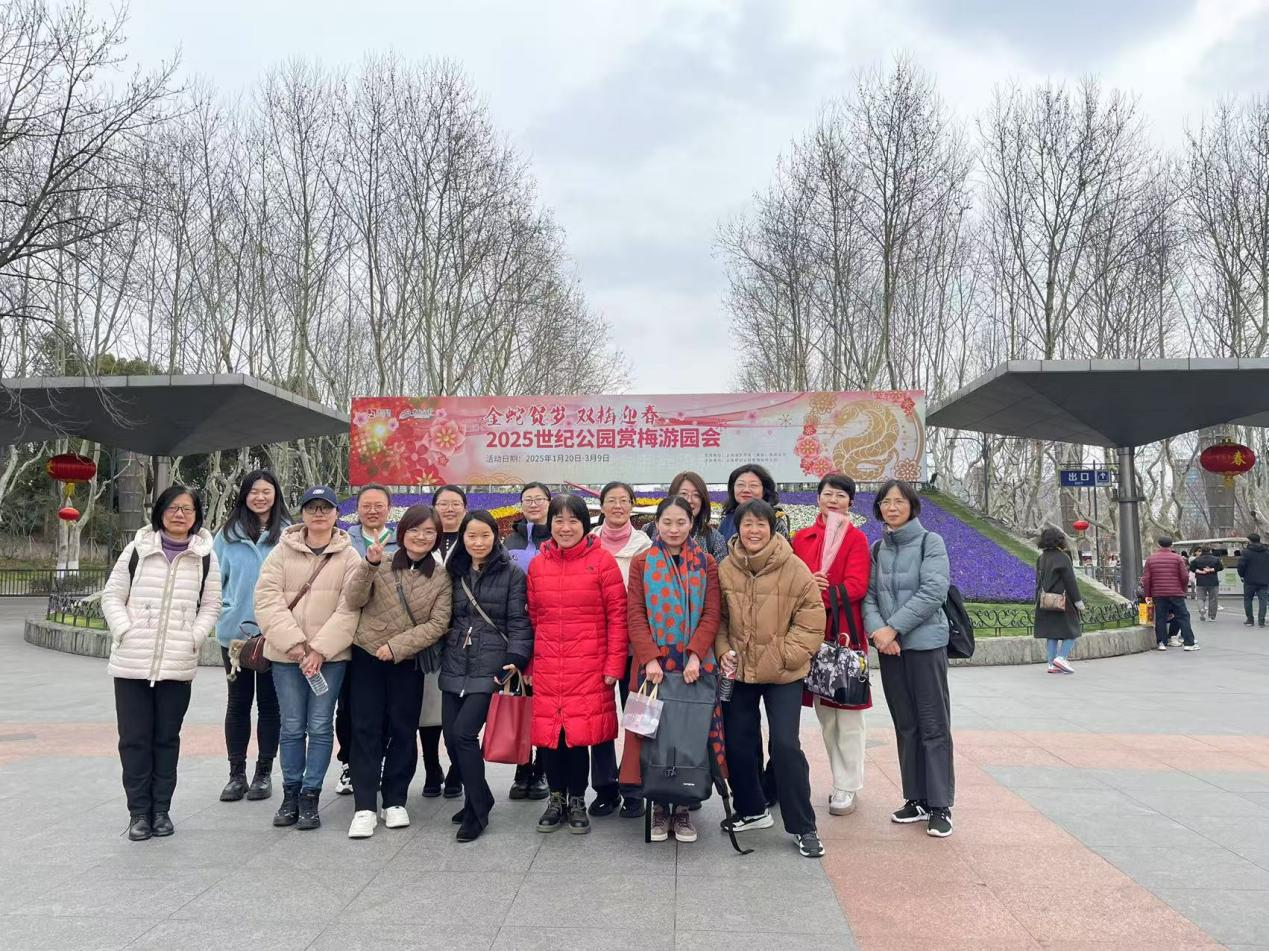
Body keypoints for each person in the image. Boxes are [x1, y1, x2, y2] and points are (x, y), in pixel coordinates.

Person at [101, 486, 222, 841]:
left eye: (187, 509)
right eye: (172, 507)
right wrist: (125, 630)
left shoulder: (204, 556)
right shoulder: (138, 549)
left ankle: (162, 811)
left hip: (177, 664)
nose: (179, 514)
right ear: (160, 511)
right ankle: (139, 812)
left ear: (197, 515)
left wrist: (193, 637)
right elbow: (112, 596)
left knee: (167, 739)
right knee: (134, 740)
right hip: (132, 664)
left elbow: (212, 604)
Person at [716, 499, 827, 858]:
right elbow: (718, 618)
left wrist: (784, 656)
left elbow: (811, 619)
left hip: (783, 673)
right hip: (740, 671)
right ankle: (752, 809)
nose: (753, 531)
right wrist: (723, 650)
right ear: (737, 528)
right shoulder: (726, 568)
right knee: (738, 742)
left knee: (784, 745)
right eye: (747, 524)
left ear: (771, 528)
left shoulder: (794, 567)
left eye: (760, 524)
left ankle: (803, 826)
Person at [255, 485, 362, 830]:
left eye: (325, 507)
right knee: (291, 725)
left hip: (329, 658)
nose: (319, 513)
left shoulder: (349, 556)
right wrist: (297, 646)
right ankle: (290, 793)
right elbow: (267, 600)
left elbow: (351, 608)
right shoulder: (281, 552)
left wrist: (319, 650)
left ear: (336, 514)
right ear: (302, 513)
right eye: (312, 507)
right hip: (287, 656)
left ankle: (310, 796)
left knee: (319, 725)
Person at [343, 504, 452, 838]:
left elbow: (439, 623)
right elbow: (353, 599)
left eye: (429, 532)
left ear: (437, 537)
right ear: (402, 532)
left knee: (404, 729)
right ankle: (364, 805)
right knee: (366, 728)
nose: (421, 537)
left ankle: (394, 800)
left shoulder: (441, 576)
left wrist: (397, 647)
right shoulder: (382, 561)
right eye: (415, 530)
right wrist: (369, 564)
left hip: (407, 661)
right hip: (367, 656)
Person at [525, 494, 628, 834]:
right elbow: (533, 619)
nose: (565, 527)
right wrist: (531, 664)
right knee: (550, 736)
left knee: (577, 735)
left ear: (585, 525)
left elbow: (618, 618)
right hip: (549, 663)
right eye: (559, 520)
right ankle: (555, 797)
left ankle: (577, 798)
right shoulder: (538, 565)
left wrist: (614, 666)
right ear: (550, 524)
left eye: (573, 521)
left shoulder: (603, 562)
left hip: (589, 665)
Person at [621, 495, 721, 843]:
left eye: (681, 522)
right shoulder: (642, 563)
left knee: (687, 737)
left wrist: (696, 654)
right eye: (667, 522)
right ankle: (659, 808)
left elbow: (711, 613)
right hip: (653, 668)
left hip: (693, 668)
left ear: (692, 523)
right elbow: (635, 614)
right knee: (652, 738)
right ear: (657, 524)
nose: (674, 529)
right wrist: (649, 657)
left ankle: (682, 809)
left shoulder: (706, 562)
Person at [864, 479, 956, 838]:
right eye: (886, 502)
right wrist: (879, 632)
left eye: (899, 501)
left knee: (933, 724)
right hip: (891, 649)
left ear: (912, 506)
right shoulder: (878, 548)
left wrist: (893, 629)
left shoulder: (931, 542)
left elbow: (934, 590)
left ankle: (940, 805)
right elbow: (869, 596)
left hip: (924, 646)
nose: (892, 507)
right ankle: (915, 799)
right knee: (906, 724)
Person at [441, 510, 534, 842]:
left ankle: (477, 810)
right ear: (462, 538)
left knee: (464, 734)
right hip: (455, 661)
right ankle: (479, 796)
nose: (478, 542)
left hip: (491, 664)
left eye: (484, 535)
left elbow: (520, 622)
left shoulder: (512, 573)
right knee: (451, 738)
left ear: (496, 536)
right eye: (471, 536)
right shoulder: (454, 571)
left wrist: (515, 658)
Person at [790, 473, 870, 817]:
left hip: (843, 635)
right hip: (811, 635)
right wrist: (808, 584)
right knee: (826, 715)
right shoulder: (801, 539)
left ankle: (847, 785)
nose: (833, 500)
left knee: (848, 714)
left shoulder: (856, 538)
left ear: (850, 501)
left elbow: (857, 584)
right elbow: (791, 581)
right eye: (827, 494)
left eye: (840, 495)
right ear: (818, 498)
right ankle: (840, 779)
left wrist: (821, 594)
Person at [213, 470, 290, 804]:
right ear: (244, 495)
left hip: (276, 633)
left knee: (271, 705)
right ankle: (236, 774)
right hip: (236, 635)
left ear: (276, 495)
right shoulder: (226, 535)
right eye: (254, 491)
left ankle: (263, 773)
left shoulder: (289, 533)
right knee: (238, 703)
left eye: (266, 491)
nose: (260, 497)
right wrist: (226, 610)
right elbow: (213, 580)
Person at [588, 480, 652, 818]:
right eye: (611, 500)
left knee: (637, 718)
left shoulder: (645, 546)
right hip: (595, 646)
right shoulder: (588, 543)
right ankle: (605, 789)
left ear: (632, 505)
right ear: (601, 506)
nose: (617, 506)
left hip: (634, 647)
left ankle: (635, 788)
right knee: (598, 719)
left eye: (624, 500)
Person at [334, 483, 399, 797]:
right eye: (366, 506)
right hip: (346, 634)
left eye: (378, 505)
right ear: (357, 509)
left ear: (389, 508)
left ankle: (379, 761)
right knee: (347, 706)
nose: (372, 511)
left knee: (382, 707)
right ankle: (349, 762)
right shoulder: (344, 541)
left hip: (385, 637)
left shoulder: (400, 541)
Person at [418, 484, 467, 799]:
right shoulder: (423, 540)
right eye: (443, 504)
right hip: (429, 639)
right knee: (429, 708)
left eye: (455, 503)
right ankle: (432, 767)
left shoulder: (474, 538)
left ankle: (458, 770)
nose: (449, 509)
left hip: (465, 638)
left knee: (460, 710)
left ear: (465, 508)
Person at [504, 482, 552, 799]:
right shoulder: (511, 540)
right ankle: (522, 767)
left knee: (544, 704)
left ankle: (542, 769)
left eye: (539, 499)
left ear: (549, 502)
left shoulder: (557, 536)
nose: (533, 504)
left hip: (548, 632)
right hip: (516, 632)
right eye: (527, 499)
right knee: (520, 702)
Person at [1033, 528, 1085, 674]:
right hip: (1063, 600)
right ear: (1060, 540)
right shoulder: (1063, 558)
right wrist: (1078, 602)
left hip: (1045, 601)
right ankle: (1061, 658)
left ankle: (1051, 664)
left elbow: (1038, 581)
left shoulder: (1041, 558)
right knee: (1073, 630)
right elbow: (1070, 582)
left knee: (1052, 633)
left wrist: (1037, 599)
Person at [644, 471, 727, 562]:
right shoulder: (649, 530)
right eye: (684, 494)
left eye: (696, 495)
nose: (689, 500)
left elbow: (720, 569)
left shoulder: (714, 538)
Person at [1142, 536, 1197, 651]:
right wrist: (1183, 589)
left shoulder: (1151, 559)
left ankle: (1161, 642)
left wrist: (1147, 594)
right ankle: (1189, 643)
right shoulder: (1177, 558)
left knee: (1160, 617)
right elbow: (1185, 576)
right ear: (1171, 545)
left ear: (1158, 545)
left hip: (1158, 593)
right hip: (1175, 592)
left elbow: (1146, 579)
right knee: (1183, 616)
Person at [718, 464, 790, 545]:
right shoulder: (727, 519)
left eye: (753, 485)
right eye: (740, 485)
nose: (746, 490)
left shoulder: (775, 520)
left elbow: (781, 550)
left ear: (764, 490)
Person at [1238, 532, 1269, 627]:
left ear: (1250, 541)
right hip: (1264, 580)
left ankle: (1250, 620)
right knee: (1263, 601)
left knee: (1248, 600)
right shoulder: (1267, 552)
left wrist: (1241, 575)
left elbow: (1241, 565)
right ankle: (1261, 621)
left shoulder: (1246, 552)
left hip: (1249, 580)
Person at [1190, 546, 1223, 623]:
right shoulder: (1215, 559)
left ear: (1201, 551)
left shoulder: (1196, 559)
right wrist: (1211, 570)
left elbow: (1192, 568)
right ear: (1210, 551)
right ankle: (1212, 616)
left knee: (1200, 597)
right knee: (1213, 599)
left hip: (1200, 581)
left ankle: (1202, 609)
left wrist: (1201, 572)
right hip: (1213, 581)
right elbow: (1221, 567)